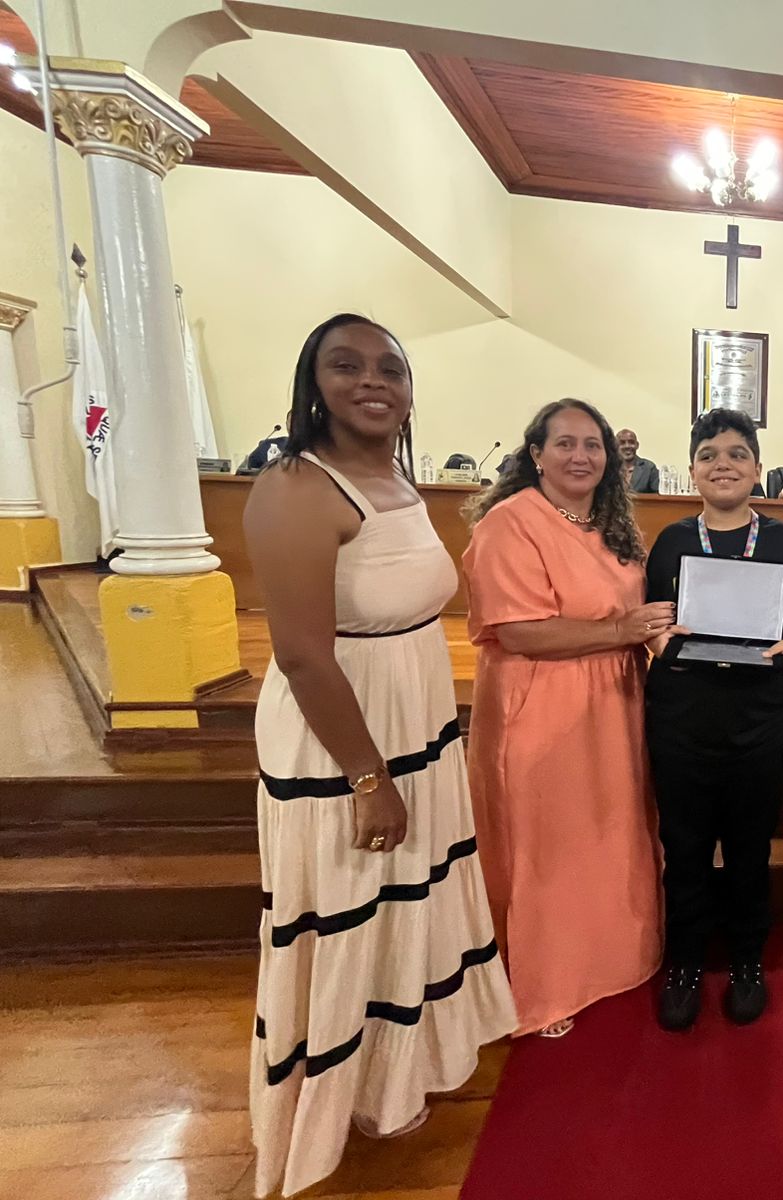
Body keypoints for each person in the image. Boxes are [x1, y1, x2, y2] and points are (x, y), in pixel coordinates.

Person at [244, 314, 515, 1199]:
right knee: (350, 905)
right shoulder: (296, 487)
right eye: (346, 365)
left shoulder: (394, 477)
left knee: (408, 899)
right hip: (345, 734)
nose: (372, 381)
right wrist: (368, 779)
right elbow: (302, 656)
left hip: (414, 719)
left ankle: (395, 1078)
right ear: (313, 384)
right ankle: (335, 1102)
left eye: (389, 369)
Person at [463, 400, 666, 1038]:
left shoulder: (610, 525)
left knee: (610, 830)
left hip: (614, 702)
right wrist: (622, 630)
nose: (581, 456)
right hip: (541, 703)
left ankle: (614, 958)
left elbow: (639, 613)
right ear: (536, 454)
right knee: (548, 842)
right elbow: (519, 632)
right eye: (565, 444)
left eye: (592, 445)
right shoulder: (510, 522)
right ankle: (548, 983)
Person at [644, 408, 783, 1031]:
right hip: (681, 715)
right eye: (709, 455)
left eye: (737, 454)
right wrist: (660, 642)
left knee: (750, 848)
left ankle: (748, 959)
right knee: (684, 847)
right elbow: (652, 617)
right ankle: (685, 963)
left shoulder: (782, 541)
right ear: (693, 468)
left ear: (757, 467)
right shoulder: (671, 540)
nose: (723, 464)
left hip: (756, 716)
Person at [618, 427, 660, 493]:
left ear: (637, 445)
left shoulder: (649, 468)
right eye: (622, 443)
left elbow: (658, 496)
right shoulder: (609, 468)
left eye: (631, 442)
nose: (627, 446)